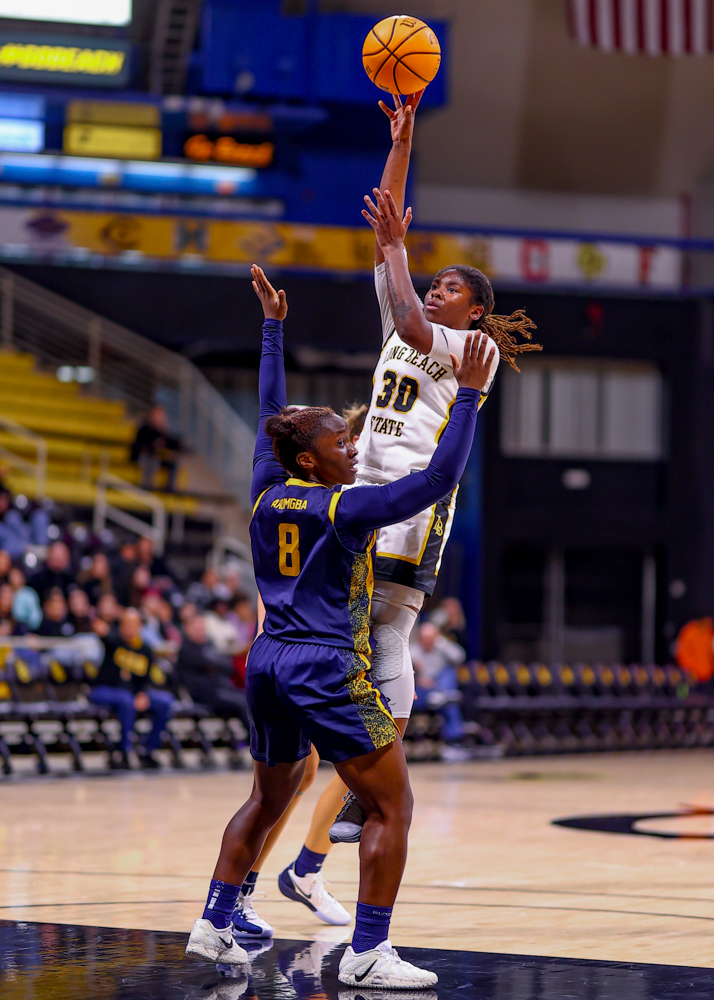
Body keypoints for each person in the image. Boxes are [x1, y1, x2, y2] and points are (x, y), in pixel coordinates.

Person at [185, 264, 494, 989]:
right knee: (393, 803)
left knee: (266, 796)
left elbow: (271, 408)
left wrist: (272, 329)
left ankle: (215, 921)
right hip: (324, 666)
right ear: (312, 460)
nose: (353, 449)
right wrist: (469, 397)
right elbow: (437, 481)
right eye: (341, 445)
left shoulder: (266, 485)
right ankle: (367, 952)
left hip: (267, 662)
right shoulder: (345, 509)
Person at [89, 607, 174, 769]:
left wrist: (143, 694)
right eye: (125, 624)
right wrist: (100, 626)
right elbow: (105, 636)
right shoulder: (114, 642)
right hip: (104, 690)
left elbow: (146, 679)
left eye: (132, 624)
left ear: (140, 626)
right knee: (126, 700)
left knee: (165, 701)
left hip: (132, 694)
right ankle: (124, 751)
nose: (128, 628)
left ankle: (148, 750)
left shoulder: (146, 650)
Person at [411, 620, 467, 749]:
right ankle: (443, 696)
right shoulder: (413, 651)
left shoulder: (440, 650)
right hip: (420, 691)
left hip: (438, 687)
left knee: (448, 672)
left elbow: (460, 657)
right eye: (424, 638)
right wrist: (419, 678)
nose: (427, 641)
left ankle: (442, 695)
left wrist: (441, 642)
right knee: (449, 700)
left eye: (430, 638)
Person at [131, 405, 183, 492]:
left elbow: (171, 443)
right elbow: (138, 445)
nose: (160, 418)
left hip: (159, 457)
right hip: (144, 457)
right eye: (158, 415)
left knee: (173, 461)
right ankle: (147, 487)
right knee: (151, 459)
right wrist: (153, 444)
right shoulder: (144, 428)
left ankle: (169, 489)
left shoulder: (163, 431)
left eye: (162, 415)